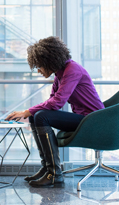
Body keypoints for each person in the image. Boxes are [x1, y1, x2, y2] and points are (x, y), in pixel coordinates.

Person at [6, 36, 105, 188]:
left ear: (48, 61)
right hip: (83, 118)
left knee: (40, 115)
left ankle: (54, 174)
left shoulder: (72, 70)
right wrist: (29, 113)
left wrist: (26, 111)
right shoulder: (60, 74)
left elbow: (57, 102)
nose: (38, 70)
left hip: (93, 120)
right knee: (36, 116)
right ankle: (47, 169)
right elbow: (52, 100)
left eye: (39, 66)